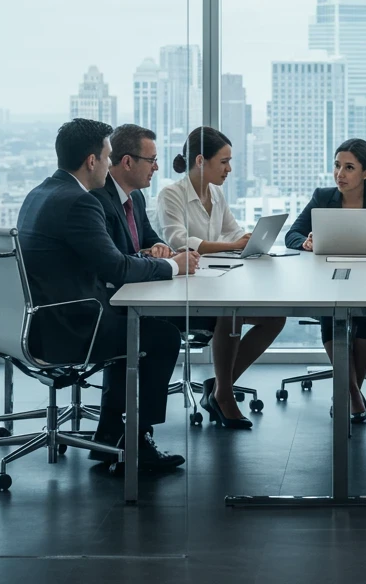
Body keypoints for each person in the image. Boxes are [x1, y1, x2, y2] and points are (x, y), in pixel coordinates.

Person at [17, 118, 199, 473]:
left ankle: (109, 437)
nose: (109, 162)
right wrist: (176, 266)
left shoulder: (40, 192)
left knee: (138, 327)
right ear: (91, 161)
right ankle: (136, 444)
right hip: (67, 328)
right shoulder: (80, 203)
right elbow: (116, 267)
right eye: (106, 155)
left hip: (37, 321)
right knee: (160, 336)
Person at [157, 126, 286, 429]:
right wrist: (233, 245)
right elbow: (180, 242)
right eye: (224, 162)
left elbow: (231, 231)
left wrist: (247, 239)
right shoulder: (170, 195)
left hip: (215, 282)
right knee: (230, 314)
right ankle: (223, 394)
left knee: (275, 318)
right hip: (182, 290)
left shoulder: (216, 193)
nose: (229, 169)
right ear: (201, 160)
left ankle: (219, 385)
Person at [285, 138, 366, 422]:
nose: (340, 174)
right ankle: (352, 395)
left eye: (349, 167)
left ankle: (347, 392)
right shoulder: (323, 197)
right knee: (330, 312)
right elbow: (292, 235)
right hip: (329, 276)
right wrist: (307, 243)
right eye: (337, 166)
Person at [92, 123, 174, 260]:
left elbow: (149, 237)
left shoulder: (136, 195)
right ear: (127, 162)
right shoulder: (98, 199)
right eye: (151, 160)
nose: (156, 167)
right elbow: (115, 260)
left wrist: (161, 247)